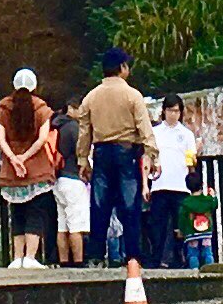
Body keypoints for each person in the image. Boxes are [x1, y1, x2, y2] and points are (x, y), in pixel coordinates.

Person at [80, 50, 153, 267]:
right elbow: (144, 128)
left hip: (101, 152)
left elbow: (85, 132)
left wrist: (83, 159)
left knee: (99, 205)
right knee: (130, 205)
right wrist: (152, 155)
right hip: (126, 152)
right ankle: (133, 256)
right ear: (122, 67)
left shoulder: (91, 97)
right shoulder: (133, 95)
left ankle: (95, 256)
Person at [0, 70, 64, 265]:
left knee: (17, 213)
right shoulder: (41, 109)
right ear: (35, 86)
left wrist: (13, 159)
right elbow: (42, 139)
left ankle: (16, 258)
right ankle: (31, 257)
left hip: (11, 169)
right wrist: (25, 158)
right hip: (36, 168)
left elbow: (0, 138)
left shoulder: (3, 109)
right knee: (35, 211)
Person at [149, 97, 198, 269]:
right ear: (163, 111)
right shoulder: (154, 132)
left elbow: (191, 160)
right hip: (159, 185)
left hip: (180, 186)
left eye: (176, 111)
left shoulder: (186, 134)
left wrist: (194, 184)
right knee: (158, 225)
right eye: (170, 110)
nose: (173, 114)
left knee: (180, 226)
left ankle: (180, 258)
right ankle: (156, 258)